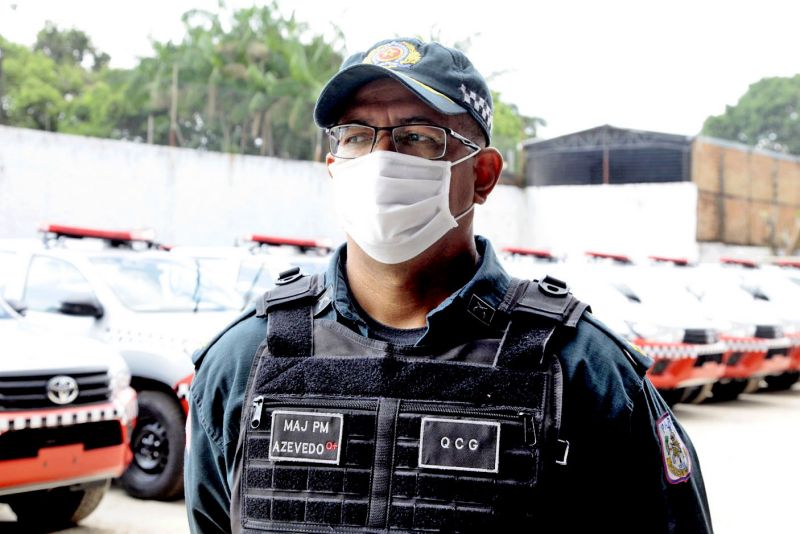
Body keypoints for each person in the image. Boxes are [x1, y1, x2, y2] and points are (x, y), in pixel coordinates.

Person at [185, 37, 713, 533]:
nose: (380, 159)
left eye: (418, 137)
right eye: (356, 135)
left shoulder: (582, 372)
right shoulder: (244, 360)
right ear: (333, 164)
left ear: (482, 175)